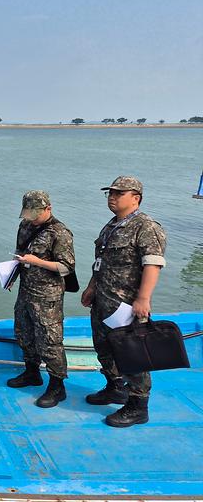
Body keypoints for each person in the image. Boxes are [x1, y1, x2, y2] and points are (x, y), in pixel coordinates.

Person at [81, 176, 166, 427]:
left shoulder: (145, 226)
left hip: (127, 305)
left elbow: (152, 264)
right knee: (104, 347)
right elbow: (101, 262)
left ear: (135, 198)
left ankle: (138, 406)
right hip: (103, 301)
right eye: (110, 193)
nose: (112, 197)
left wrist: (143, 298)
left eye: (119, 193)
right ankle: (115, 387)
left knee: (132, 354)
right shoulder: (111, 226)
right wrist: (92, 287)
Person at [7, 191, 75, 409]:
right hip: (26, 291)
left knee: (50, 340)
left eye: (36, 214)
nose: (32, 218)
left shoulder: (59, 233)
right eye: (29, 214)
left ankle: (57, 386)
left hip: (48, 296)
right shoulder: (25, 226)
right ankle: (31, 372)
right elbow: (20, 254)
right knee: (23, 331)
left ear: (48, 209)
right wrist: (11, 275)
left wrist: (38, 261)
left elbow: (66, 267)